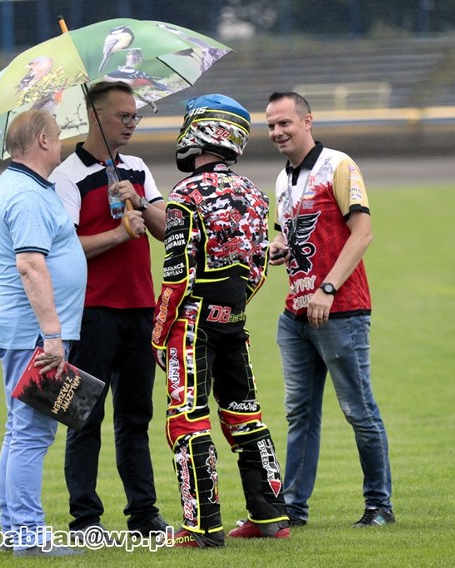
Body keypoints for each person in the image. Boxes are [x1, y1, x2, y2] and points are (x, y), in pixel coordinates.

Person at [152, 94, 291, 548]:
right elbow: (256, 271)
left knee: (186, 422)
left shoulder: (184, 195)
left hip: (189, 325)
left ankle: (203, 527)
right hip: (234, 320)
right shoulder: (255, 194)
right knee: (245, 415)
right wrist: (231, 309)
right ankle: (271, 515)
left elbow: (176, 278)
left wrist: (159, 335)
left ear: (199, 132)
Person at [264, 91, 395, 528]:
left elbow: (363, 232)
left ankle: (379, 505)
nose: (278, 132)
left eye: (285, 123)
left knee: (360, 411)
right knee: (300, 413)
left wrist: (328, 286)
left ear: (307, 121)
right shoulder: (282, 180)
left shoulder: (338, 165)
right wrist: (281, 247)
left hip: (341, 310)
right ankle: (294, 509)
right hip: (296, 315)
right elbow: (295, 236)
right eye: (271, 126)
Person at [49, 81, 168, 541]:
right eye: (124, 116)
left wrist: (138, 202)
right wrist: (119, 234)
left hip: (141, 310)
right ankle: (85, 520)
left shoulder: (136, 168)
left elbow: (165, 228)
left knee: (136, 418)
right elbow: (64, 249)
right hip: (91, 314)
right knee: (84, 419)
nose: (132, 123)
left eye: (135, 115)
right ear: (96, 117)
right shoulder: (67, 177)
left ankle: (143, 515)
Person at [0, 110, 86, 557]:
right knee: (32, 433)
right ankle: (27, 535)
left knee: (20, 429)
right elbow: (30, 264)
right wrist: (53, 335)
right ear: (42, 140)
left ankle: (15, 530)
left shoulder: (26, 186)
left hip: (23, 329)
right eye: (58, 136)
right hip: (31, 333)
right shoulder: (25, 194)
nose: (61, 144)